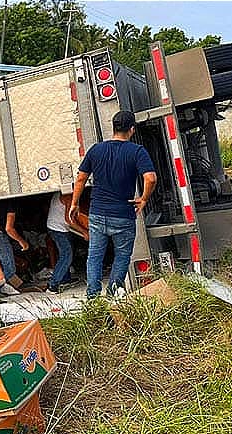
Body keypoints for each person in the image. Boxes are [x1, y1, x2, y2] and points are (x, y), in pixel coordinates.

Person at [70, 110, 157, 299]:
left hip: (98, 213)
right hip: (123, 215)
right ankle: (113, 293)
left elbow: (80, 179)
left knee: (94, 256)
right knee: (122, 256)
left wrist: (75, 203)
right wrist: (144, 199)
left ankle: (93, 296)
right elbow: (150, 178)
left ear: (114, 127)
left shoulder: (96, 149)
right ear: (132, 129)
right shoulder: (136, 151)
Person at [0, 199, 30, 295]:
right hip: (0, 235)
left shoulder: (2, 199)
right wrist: (22, 242)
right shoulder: (13, 202)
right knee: (9, 268)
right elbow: (9, 228)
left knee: (0, 266)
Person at [45, 193, 73, 294]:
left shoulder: (58, 193)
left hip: (58, 227)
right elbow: (68, 219)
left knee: (66, 252)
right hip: (58, 229)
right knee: (67, 254)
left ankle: (65, 279)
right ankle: (52, 285)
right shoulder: (68, 196)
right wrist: (84, 231)